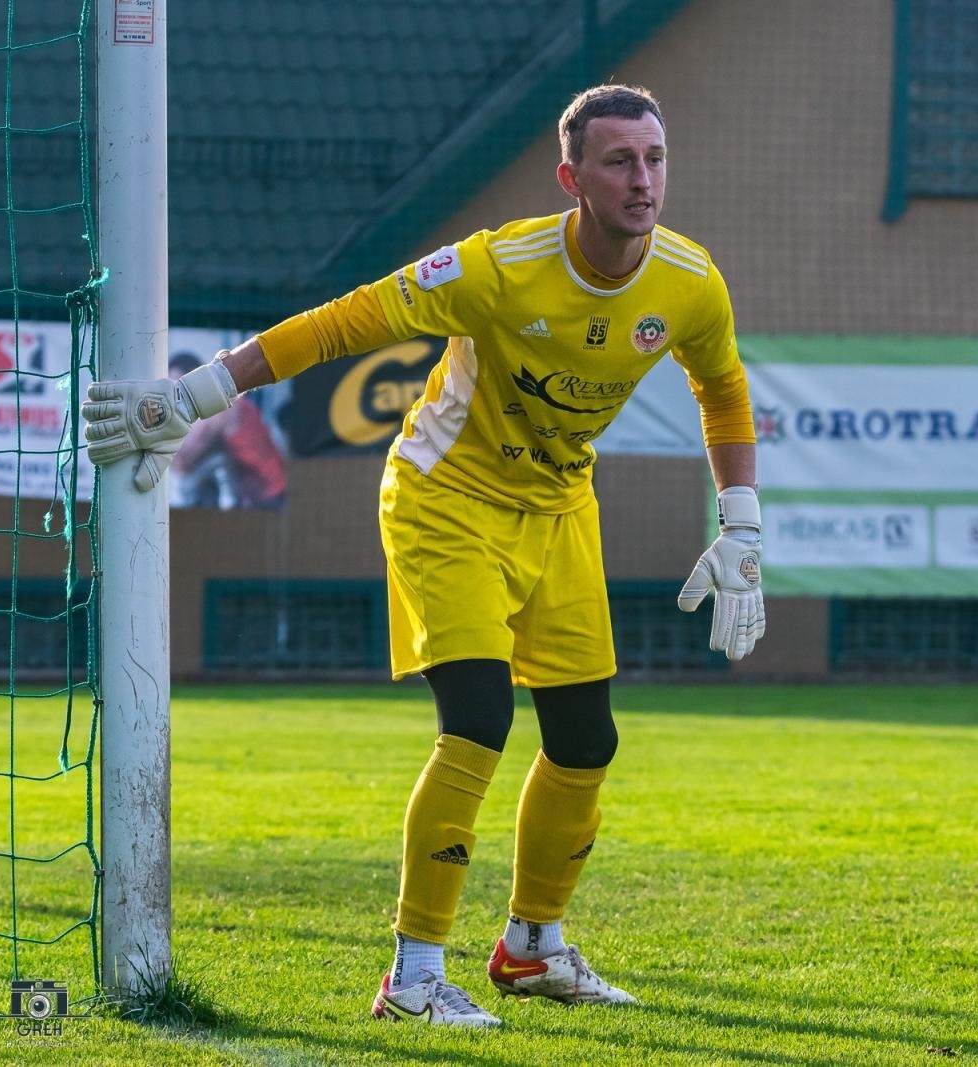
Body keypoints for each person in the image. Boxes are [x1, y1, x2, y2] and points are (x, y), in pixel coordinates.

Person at [83, 84, 765, 1025]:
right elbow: (346, 321)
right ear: (573, 178)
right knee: (478, 722)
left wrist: (743, 525)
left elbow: (723, 388)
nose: (642, 179)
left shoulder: (690, 282)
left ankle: (533, 948)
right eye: (619, 161)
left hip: (561, 509)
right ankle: (412, 975)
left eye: (653, 158)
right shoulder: (495, 266)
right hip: (445, 500)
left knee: (586, 741)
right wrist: (200, 395)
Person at [165, 351, 288, 509]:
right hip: (254, 499)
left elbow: (182, 461)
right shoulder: (220, 403)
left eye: (179, 391)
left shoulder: (224, 406)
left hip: (270, 500)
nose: (176, 401)